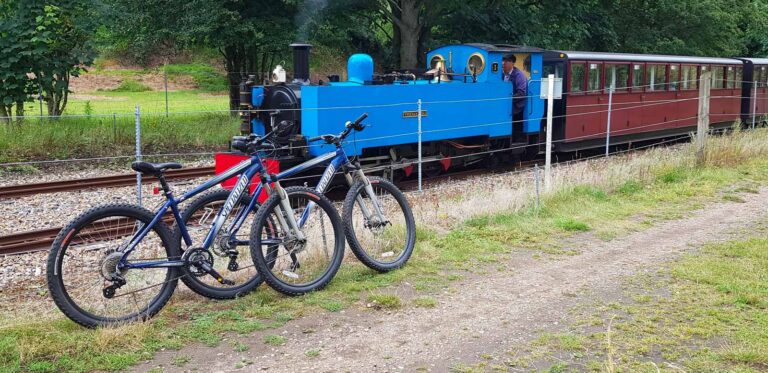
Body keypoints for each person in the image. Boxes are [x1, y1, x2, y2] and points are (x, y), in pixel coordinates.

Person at [502, 54, 528, 142]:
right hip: (504, 104)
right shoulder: (501, 74)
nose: (503, 63)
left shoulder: (519, 75)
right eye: (503, 61)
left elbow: (521, 93)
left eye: (506, 61)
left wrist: (508, 99)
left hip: (516, 106)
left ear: (512, 63)